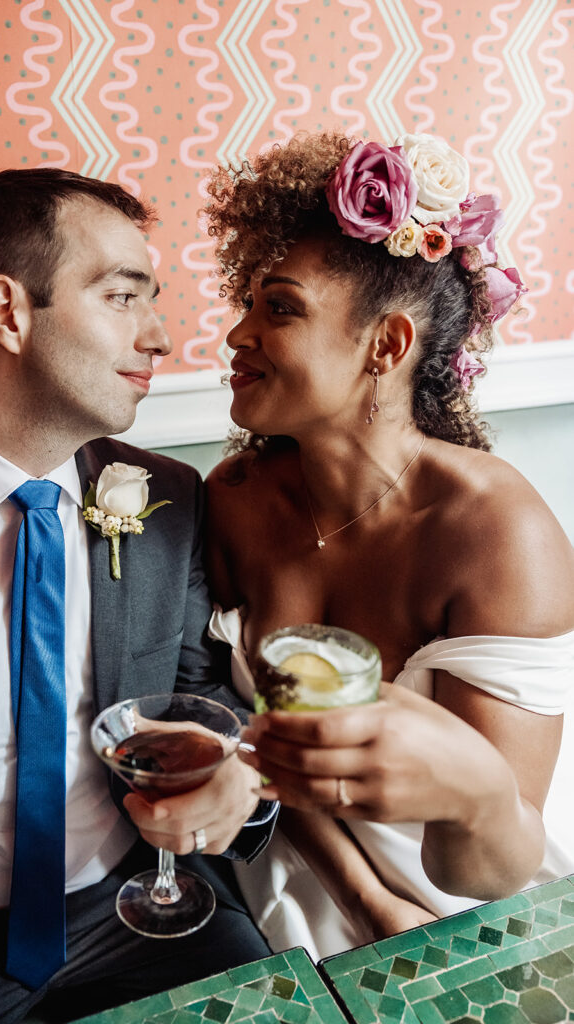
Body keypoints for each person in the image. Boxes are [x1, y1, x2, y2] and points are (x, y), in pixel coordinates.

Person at [0, 168, 276, 1024]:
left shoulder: (168, 498)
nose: (161, 336)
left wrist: (241, 770)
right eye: (122, 296)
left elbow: (199, 694)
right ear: (7, 312)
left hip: (144, 913)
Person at [203, 130, 574, 960]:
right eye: (249, 302)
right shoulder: (232, 502)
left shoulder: (497, 536)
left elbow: (496, 859)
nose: (235, 335)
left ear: (388, 345)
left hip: (459, 883)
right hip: (279, 855)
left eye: (279, 308)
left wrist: (463, 807)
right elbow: (247, 736)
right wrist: (362, 898)